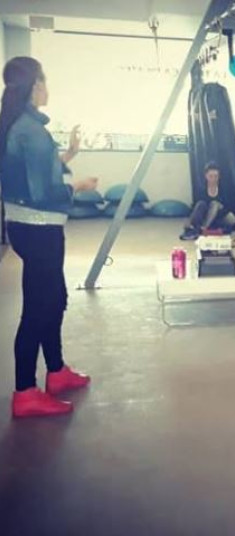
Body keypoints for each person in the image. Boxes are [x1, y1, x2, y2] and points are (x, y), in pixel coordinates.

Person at [0, 56, 97, 417]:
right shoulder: (32, 131)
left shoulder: (16, 124)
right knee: (40, 308)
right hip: (41, 229)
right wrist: (78, 186)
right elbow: (44, 192)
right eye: (45, 81)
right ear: (36, 85)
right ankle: (25, 392)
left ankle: (55, 371)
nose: (47, 87)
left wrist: (69, 154)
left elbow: (33, 173)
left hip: (25, 226)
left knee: (53, 299)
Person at [180, 161, 235, 240]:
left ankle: (204, 228)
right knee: (202, 203)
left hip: (220, 216)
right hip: (206, 215)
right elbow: (197, 207)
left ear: (219, 176)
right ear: (206, 176)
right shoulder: (201, 189)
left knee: (217, 206)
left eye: (216, 176)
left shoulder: (224, 189)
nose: (213, 179)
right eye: (211, 176)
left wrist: (219, 208)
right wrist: (190, 220)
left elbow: (229, 206)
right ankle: (201, 228)